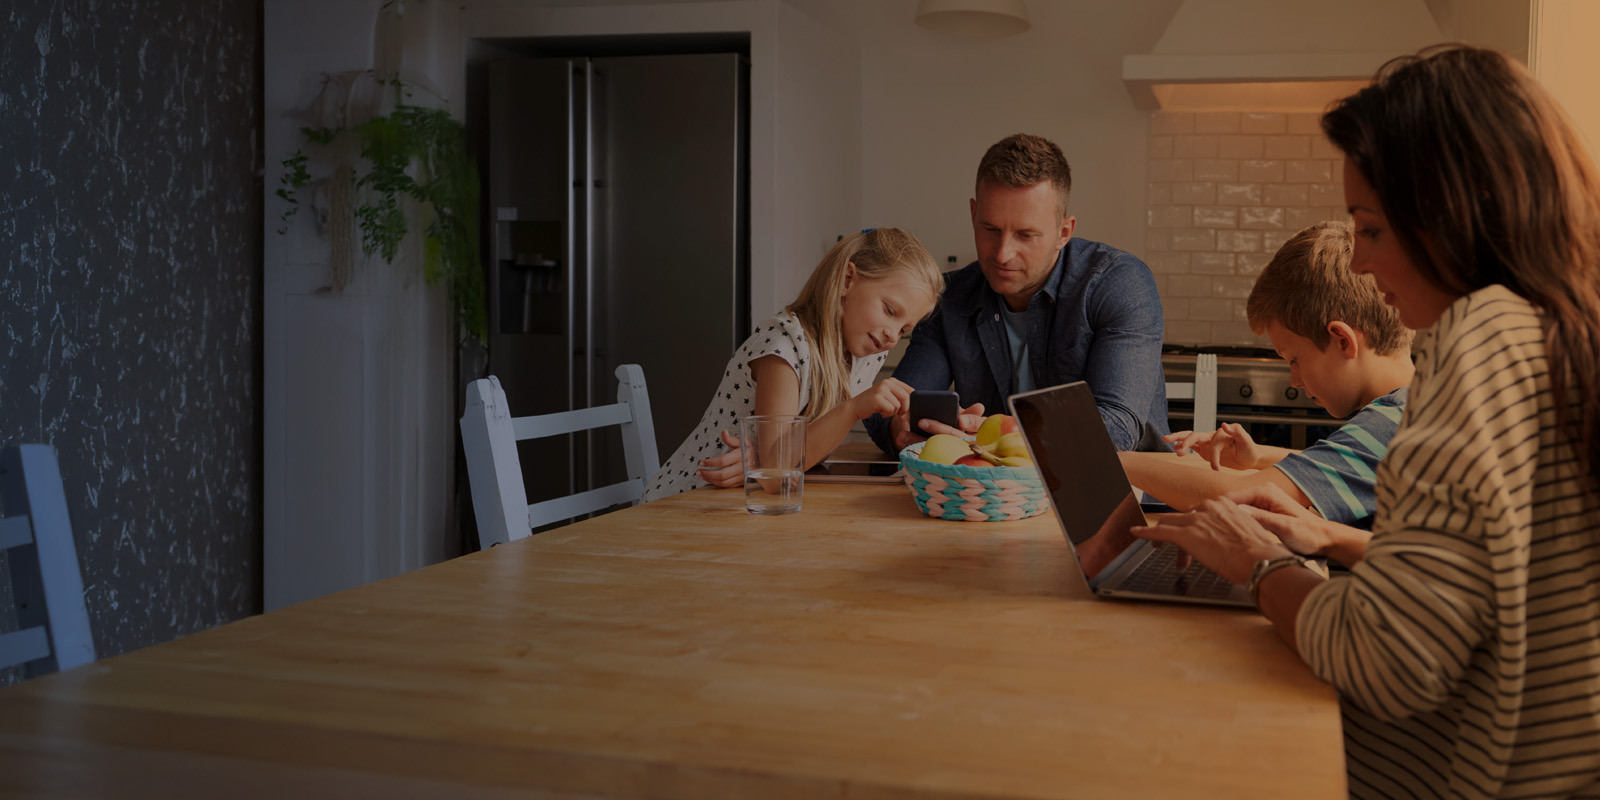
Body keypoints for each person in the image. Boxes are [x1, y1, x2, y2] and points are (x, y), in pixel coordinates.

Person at [1132, 45, 1600, 798]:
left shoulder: (1479, 341)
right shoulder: (1556, 329)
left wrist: (1258, 565)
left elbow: (1388, 658)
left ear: (1452, 218)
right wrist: (1334, 538)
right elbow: (1499, 576)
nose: (1359, 266)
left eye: (1371, 230)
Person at [863, 133, 1169, 456]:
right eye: (990, 229)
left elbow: (1117, 429)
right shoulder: (948, 298)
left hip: (1127, 496)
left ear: (1064, 233)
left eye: (1026, 235)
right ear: (972, 214)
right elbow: (893, 411)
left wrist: (1003, 431)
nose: (1003, 253)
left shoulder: (1120, 283)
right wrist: (905, 426)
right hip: (996, 501)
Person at [1120, 221, 1414, 526]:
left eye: (1294, 359)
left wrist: (1120, 460)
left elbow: (1240, 496)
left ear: (1342, 340)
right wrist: (1257, 456)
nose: (1294, 380)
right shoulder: (1413, 407)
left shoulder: (1391, 425)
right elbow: (1343, 466)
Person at [643, 227, 943, 501]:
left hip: (739, 502)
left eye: (904, 329)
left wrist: (761, 460)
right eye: (890, 310)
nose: (893, 335)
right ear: (847, 280)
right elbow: (776, 477)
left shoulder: (865, 353)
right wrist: (853, 409)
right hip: (683, 502)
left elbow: (795, 456)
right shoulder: (784, 346)